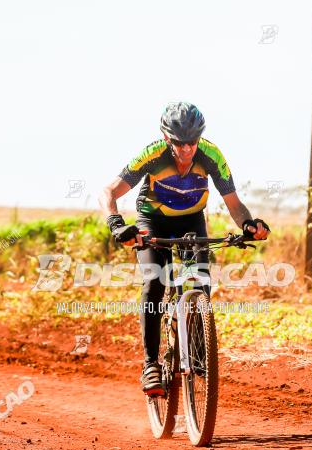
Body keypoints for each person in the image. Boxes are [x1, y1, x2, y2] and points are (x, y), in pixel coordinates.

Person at [99, 102, 270, 395]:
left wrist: (248, 225)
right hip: (152, 221)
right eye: (180, 143)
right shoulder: (152, 154)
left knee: (200, 284)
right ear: (167, 138)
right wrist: (117, 224)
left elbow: (234, 204)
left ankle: (198, 348)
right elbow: (108, 192)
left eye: (193, 142)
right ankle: (151, 364)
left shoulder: (212, 156)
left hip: (191, 221)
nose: (187, 149)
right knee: (155, 281)